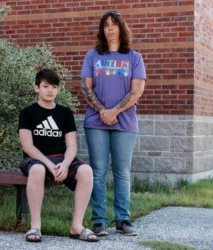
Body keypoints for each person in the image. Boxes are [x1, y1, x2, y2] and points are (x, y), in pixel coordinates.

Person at [80, 11, 146, 237]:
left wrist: (115, 111)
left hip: (125, 122)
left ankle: (123, 220)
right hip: (96, 122)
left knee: (122, 173)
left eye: (114, 24)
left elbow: (137, 91)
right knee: (98, 172)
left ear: (121, 28)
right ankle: (99, 221)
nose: (110, 28)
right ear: (102, 30)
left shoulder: (134, 57)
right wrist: (102, 111)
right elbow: (86, 87)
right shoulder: (92, 56)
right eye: (106, 25)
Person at [18, 69, 98, 243]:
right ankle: (35, 226)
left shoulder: (65, 113)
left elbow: (71, 145)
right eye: (45, 86)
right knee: (38, 169)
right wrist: (48, 163)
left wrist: (65, 164)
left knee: (86, 171)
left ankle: (76, 227)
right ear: (36, 88)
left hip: (61, 158)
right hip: (36, 159)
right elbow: (27, 145)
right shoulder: (27, 112)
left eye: (54, 87)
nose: (50, 90)